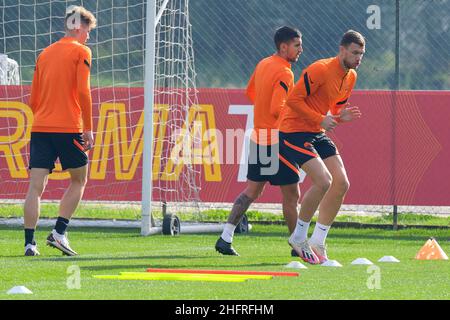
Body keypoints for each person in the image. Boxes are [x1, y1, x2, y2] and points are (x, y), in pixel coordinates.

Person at [278, 30, 364, 264]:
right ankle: (298, 237)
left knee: (342, 183)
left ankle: (318, 241)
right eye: (355, 53)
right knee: (323, 181)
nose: (358, 58)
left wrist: (339, 117)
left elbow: (333, 112)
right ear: (342, 49)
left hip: (316, 132)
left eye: (362, 54)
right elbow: (293, 101)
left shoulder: (351, 76)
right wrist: (320, 119)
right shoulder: (321, 69)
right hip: (293, 131)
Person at [215, 26, 303, 256]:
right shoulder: (285, 72)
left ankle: (226, 236)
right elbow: (277, 109)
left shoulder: (264, 63)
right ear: (284, 47)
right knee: (292, 194)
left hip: (258, 137)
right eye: (297, 45)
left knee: (252, 192)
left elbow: (251, 93)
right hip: (277, 140)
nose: (300, 50)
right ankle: (297, 244)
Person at [23, 6, 97, 256]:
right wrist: (87, 127)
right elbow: (84, 92)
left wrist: (45, 115)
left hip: (41, 127)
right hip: (69, 127)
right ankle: (59, 233)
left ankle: (29, 244)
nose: (88, 36)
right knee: (79, 179)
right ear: (79, 27)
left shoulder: (44, 54)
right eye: (87, 30)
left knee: (35, 187)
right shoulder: (82, 51)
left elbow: (32, 100)